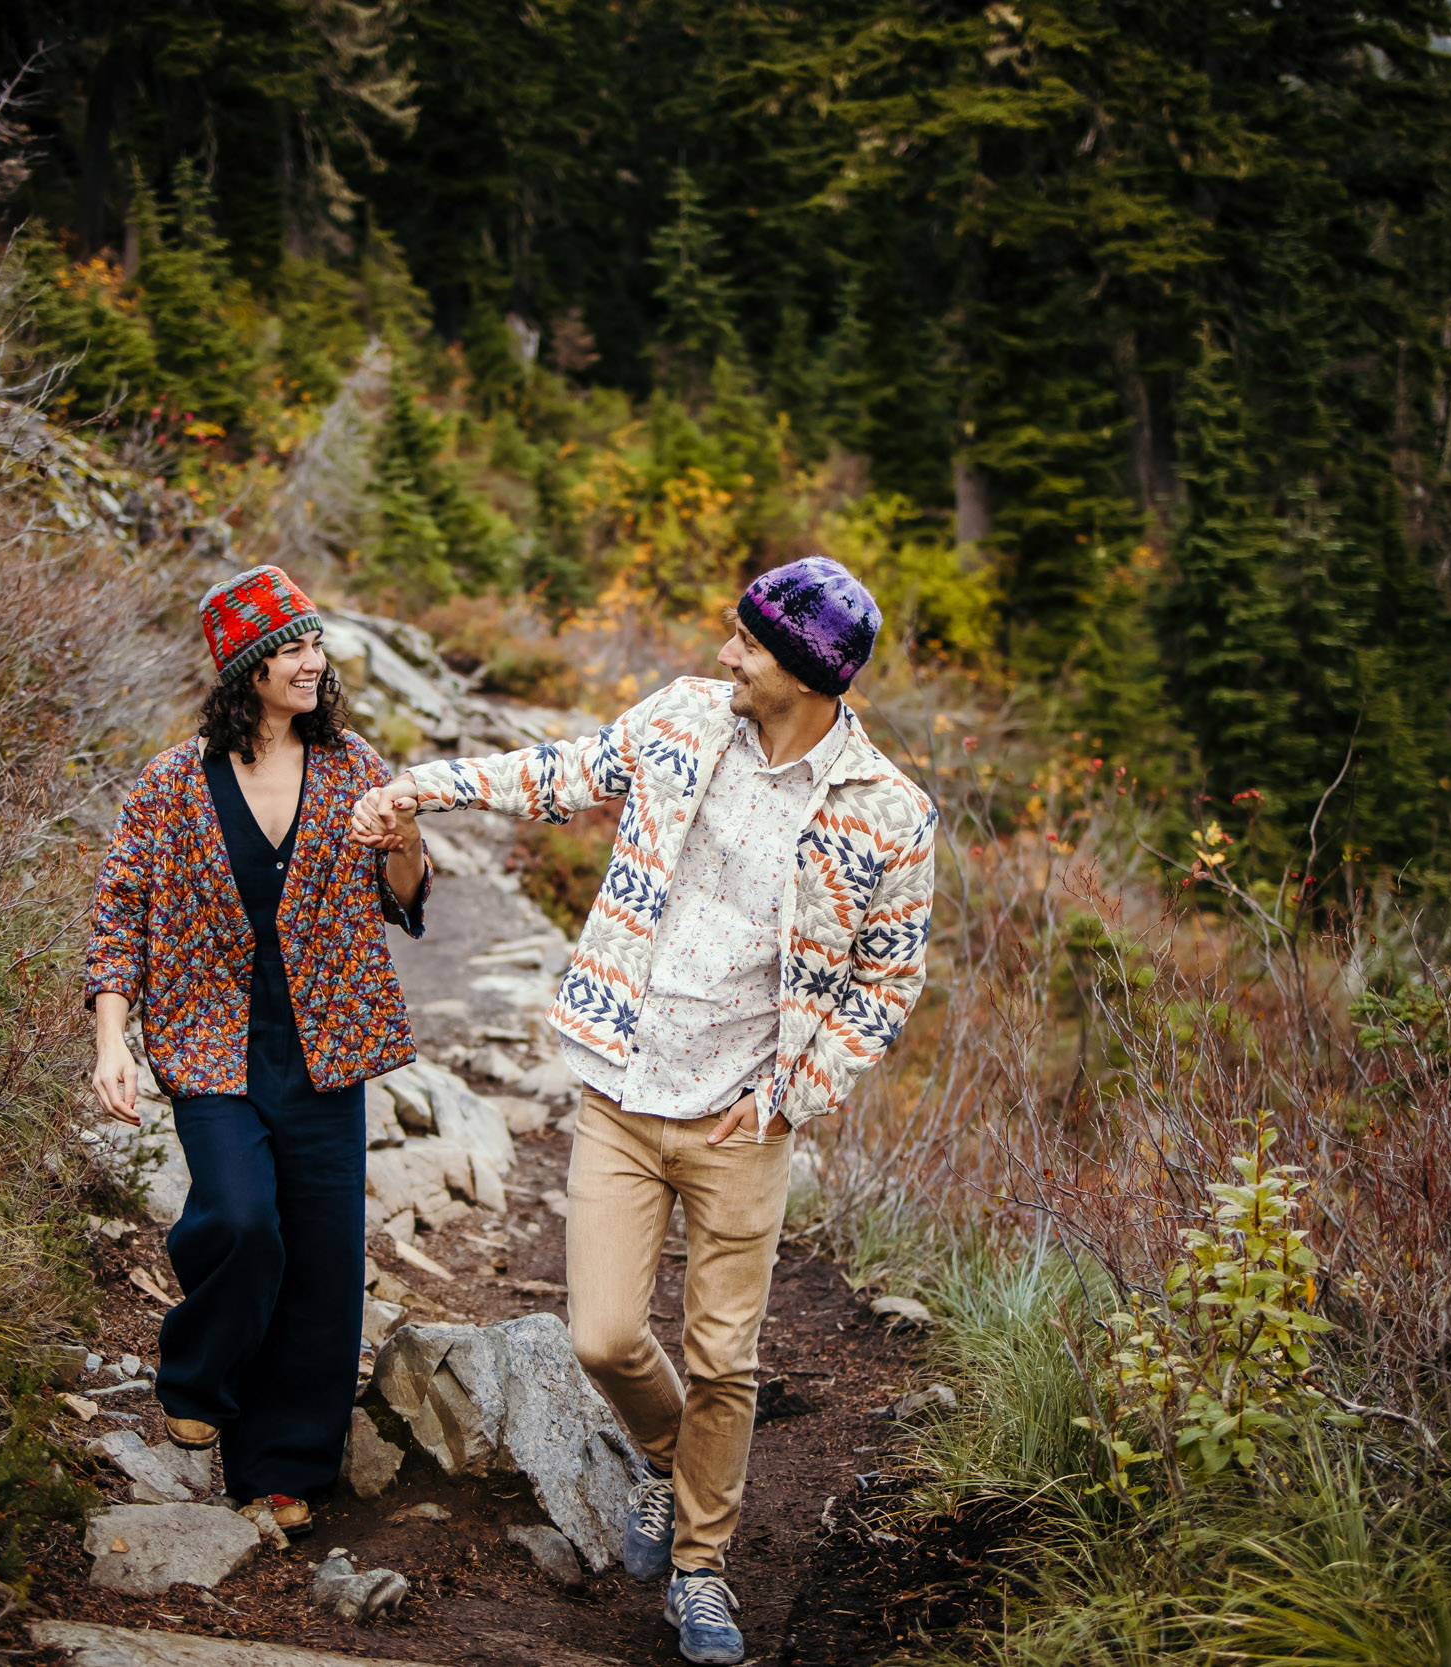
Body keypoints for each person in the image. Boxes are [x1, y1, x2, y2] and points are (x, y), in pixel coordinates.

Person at [349, 556, 935, 1665]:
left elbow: (885, 981)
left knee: (724, 1357)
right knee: (605, 1334)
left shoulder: (889, 813)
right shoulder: (680, 719)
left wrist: (788, 1094)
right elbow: (557, 773)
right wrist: (427, 787)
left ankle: (703, 1566)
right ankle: (674, 1462)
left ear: (808, 675)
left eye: (748, 644)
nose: (724, 654)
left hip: (744, 1121)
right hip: (621, 1087)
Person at [86, 564, 429, 1539]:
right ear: (245, 668)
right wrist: (113, 1036)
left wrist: (401, 836)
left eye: (315, 643)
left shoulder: (355, 763)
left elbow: (401, 889)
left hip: (328, 1042)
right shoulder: (170, 780)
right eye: (289, 647)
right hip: (210, 1042)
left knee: (322, 1259)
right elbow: (120, 910)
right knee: (241, 1221)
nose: (312, 660)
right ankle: (195, 1369)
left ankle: (282, 1463)